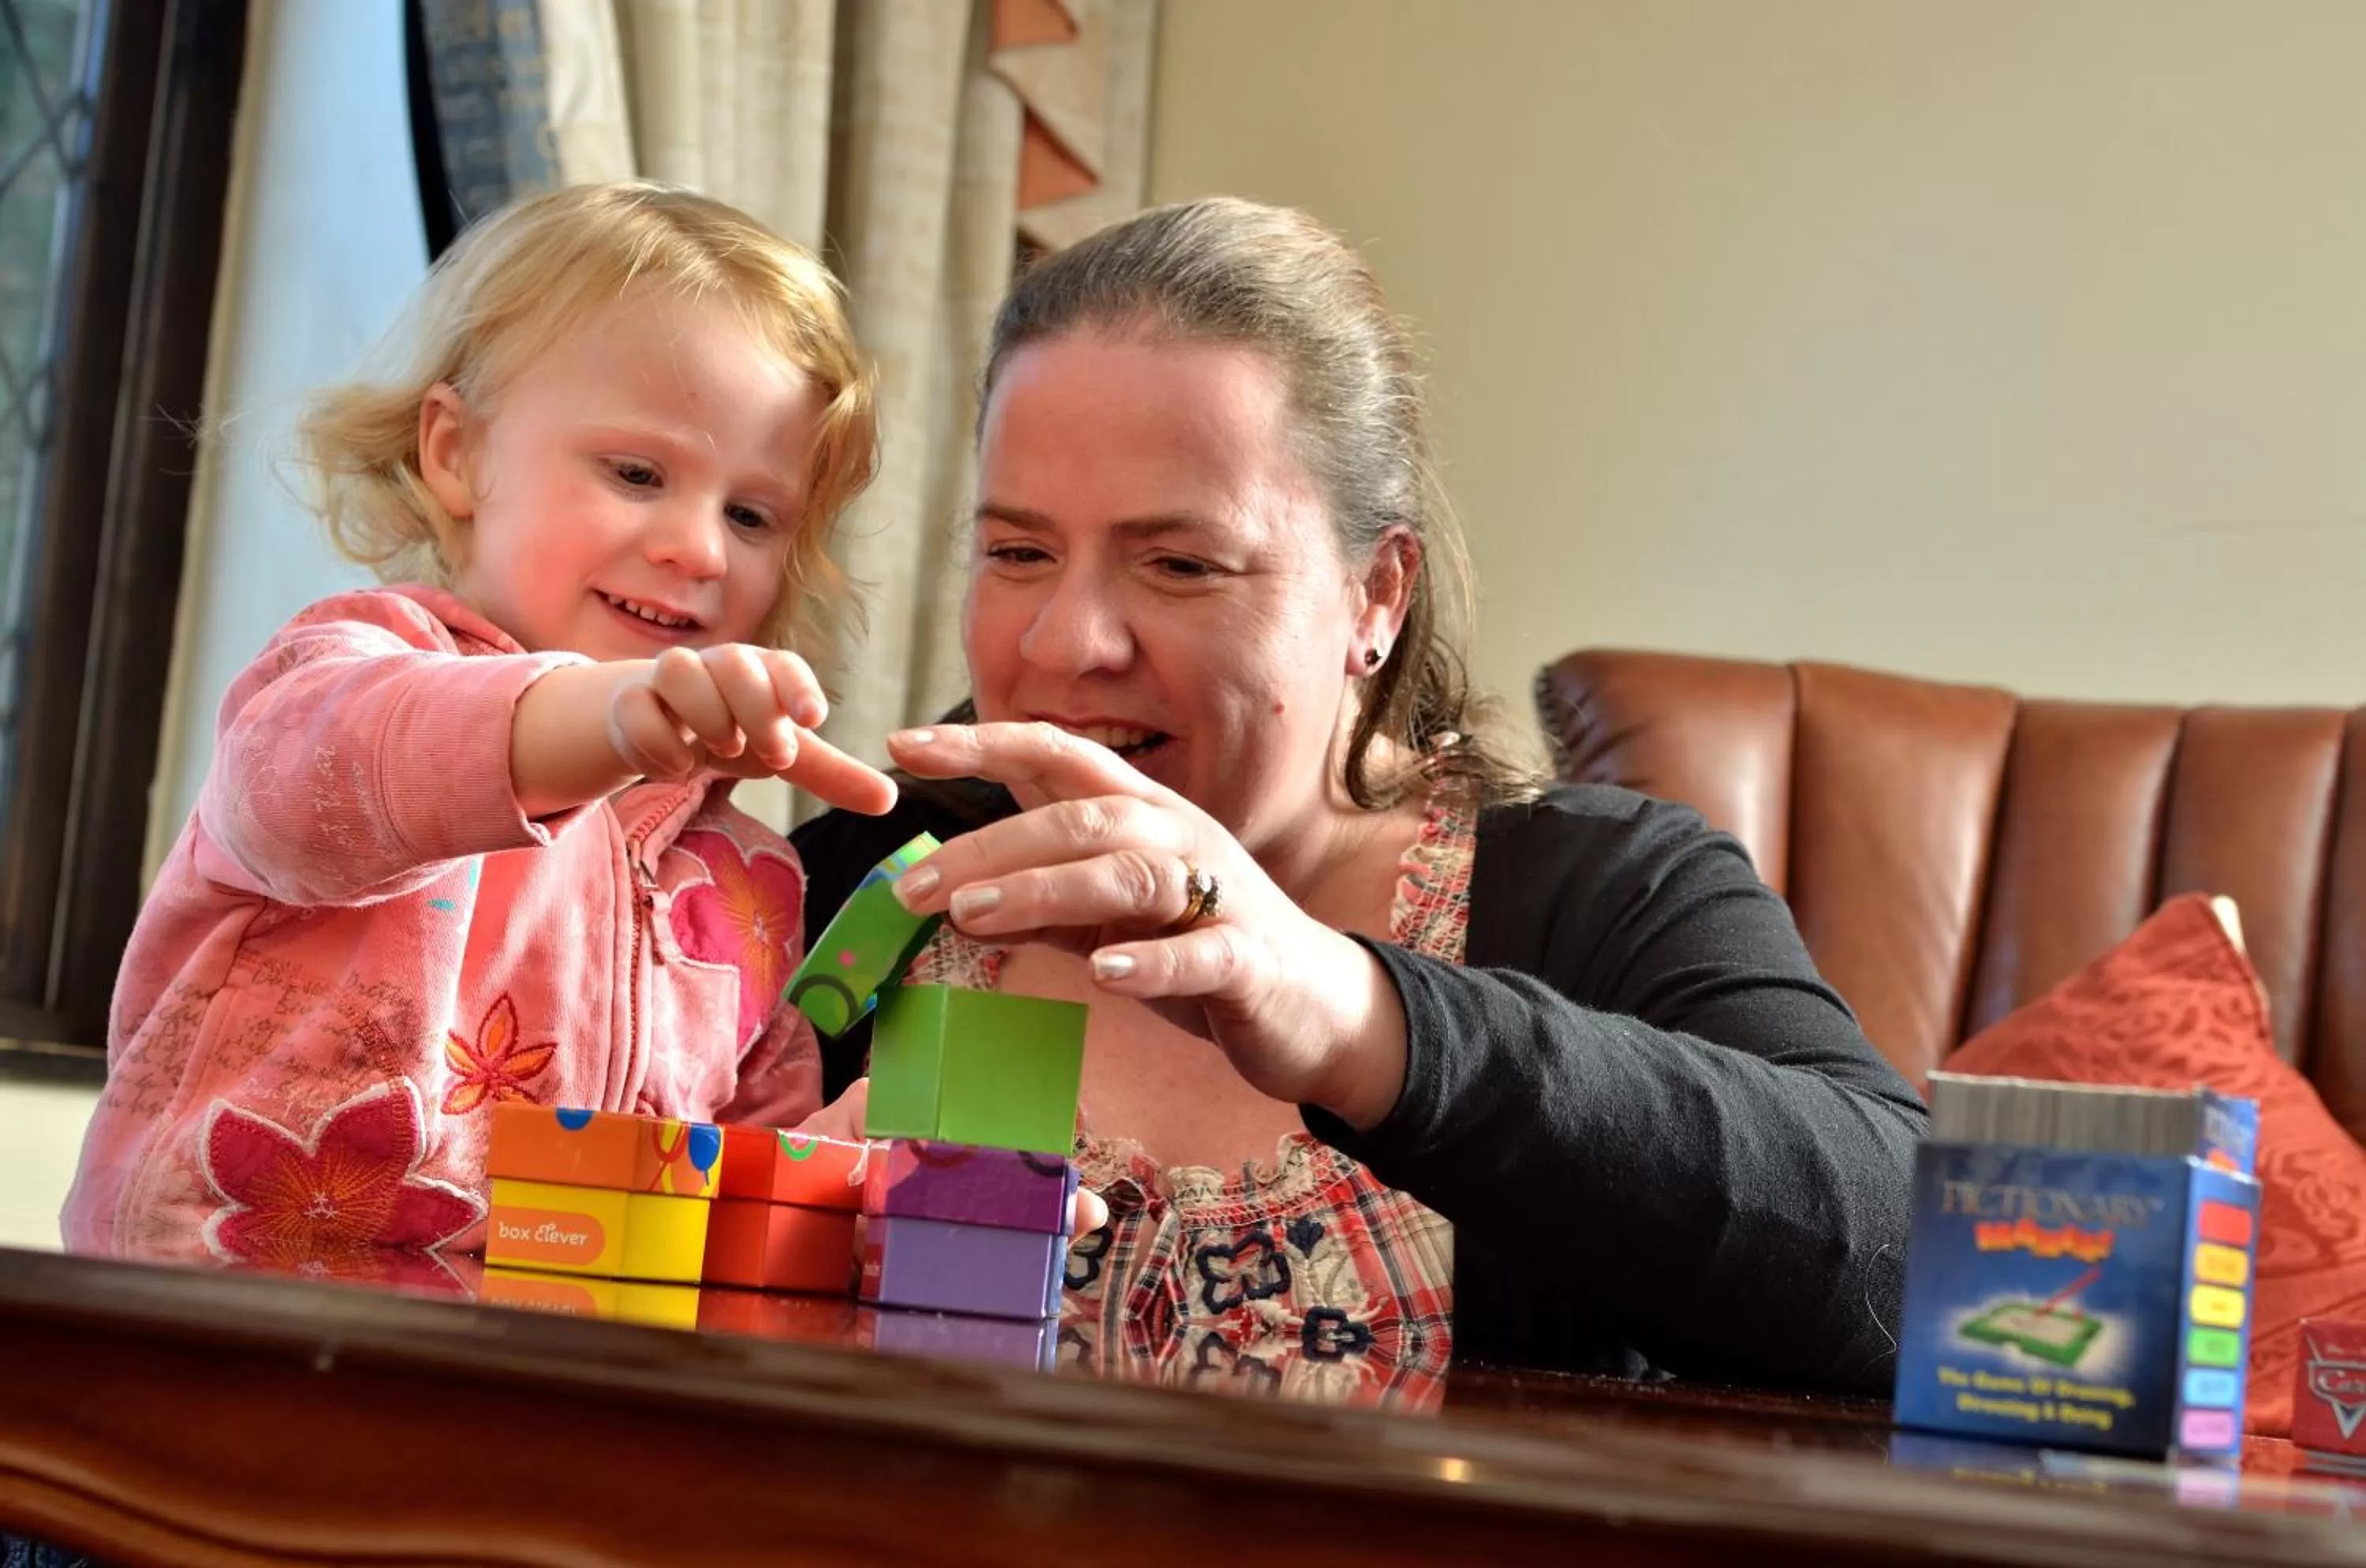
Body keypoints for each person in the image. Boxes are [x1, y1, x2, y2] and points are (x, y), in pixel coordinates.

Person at [792, 197, 1930, 1397]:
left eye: (1181, 564)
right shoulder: (858, 884)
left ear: (1377, 595)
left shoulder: (1605, 895)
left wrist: (1357, 1018)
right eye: (1018, 553)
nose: (1070, 642)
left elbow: (1920, 1275)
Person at [62, 183, 901, 1269]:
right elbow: (305, 783)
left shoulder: (746, 876)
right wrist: (601, 718)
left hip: (525, 1382)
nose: (700, 550)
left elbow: (725, 1216)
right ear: (456, 455)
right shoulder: (349, 672)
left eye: (751, 515)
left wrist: (837, 1167)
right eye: (637, 474)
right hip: (224, 1332)